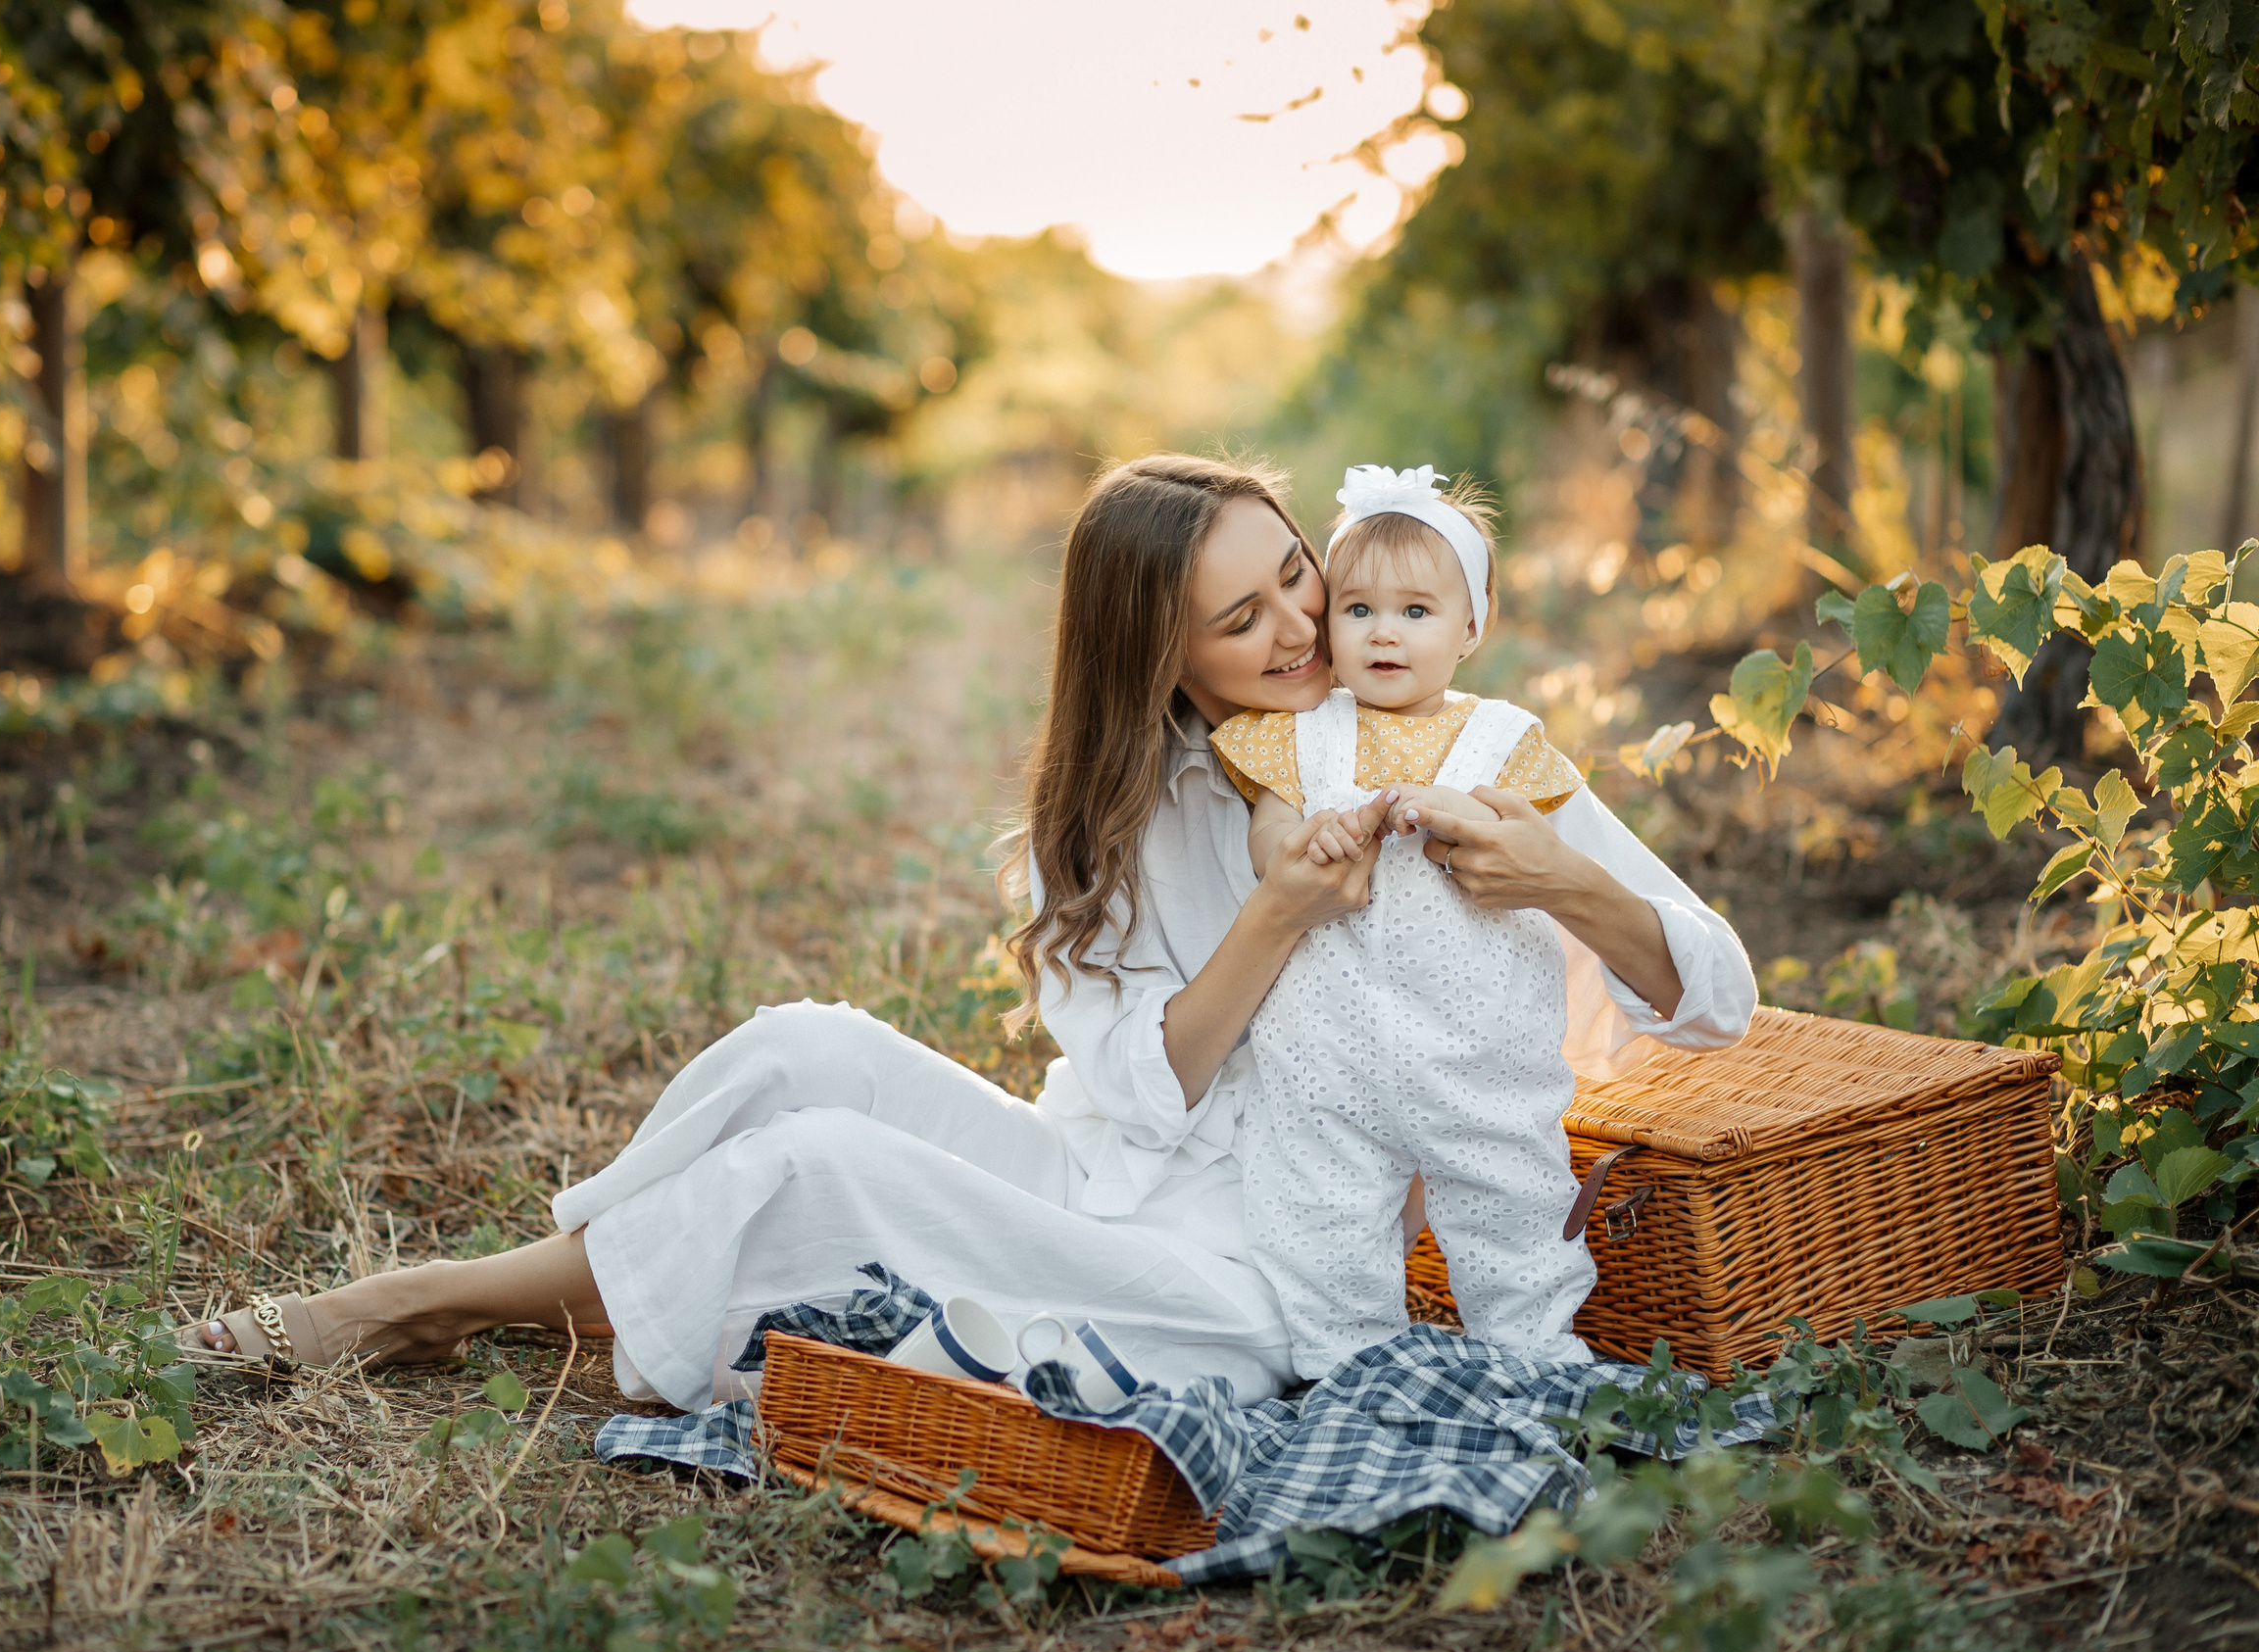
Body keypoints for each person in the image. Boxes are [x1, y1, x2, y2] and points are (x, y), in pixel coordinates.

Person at [178, 454, 1753, 1410]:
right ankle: (598, 1261)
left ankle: (428, 1299)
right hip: (1109, 1176)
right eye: (1244, 618)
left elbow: (1717, 995)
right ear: (1160, 656)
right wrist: (1275, 916)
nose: (1305, 635)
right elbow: (1132, 1096)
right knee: (805, 1046)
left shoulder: (1460, 754)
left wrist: (1558, 881)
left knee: (824, 1170)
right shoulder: (1126, 813)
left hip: (1260, 1264)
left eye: (1301, 580)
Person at [1212, 464, 1751, 1380]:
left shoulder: (1505, 743)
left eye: (1417, 612)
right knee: (1323, 1222)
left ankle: (1540, 1362)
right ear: (1330, 624)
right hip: (1324, 1059)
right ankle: (1350, 1376)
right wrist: (1306, 843)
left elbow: (1567, 858)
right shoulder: (1295, 738)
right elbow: (1269, 839)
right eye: (1359, 609)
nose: (1385, 631)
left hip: (1481, 1059)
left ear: (1473, 626)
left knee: (1514, 1210)